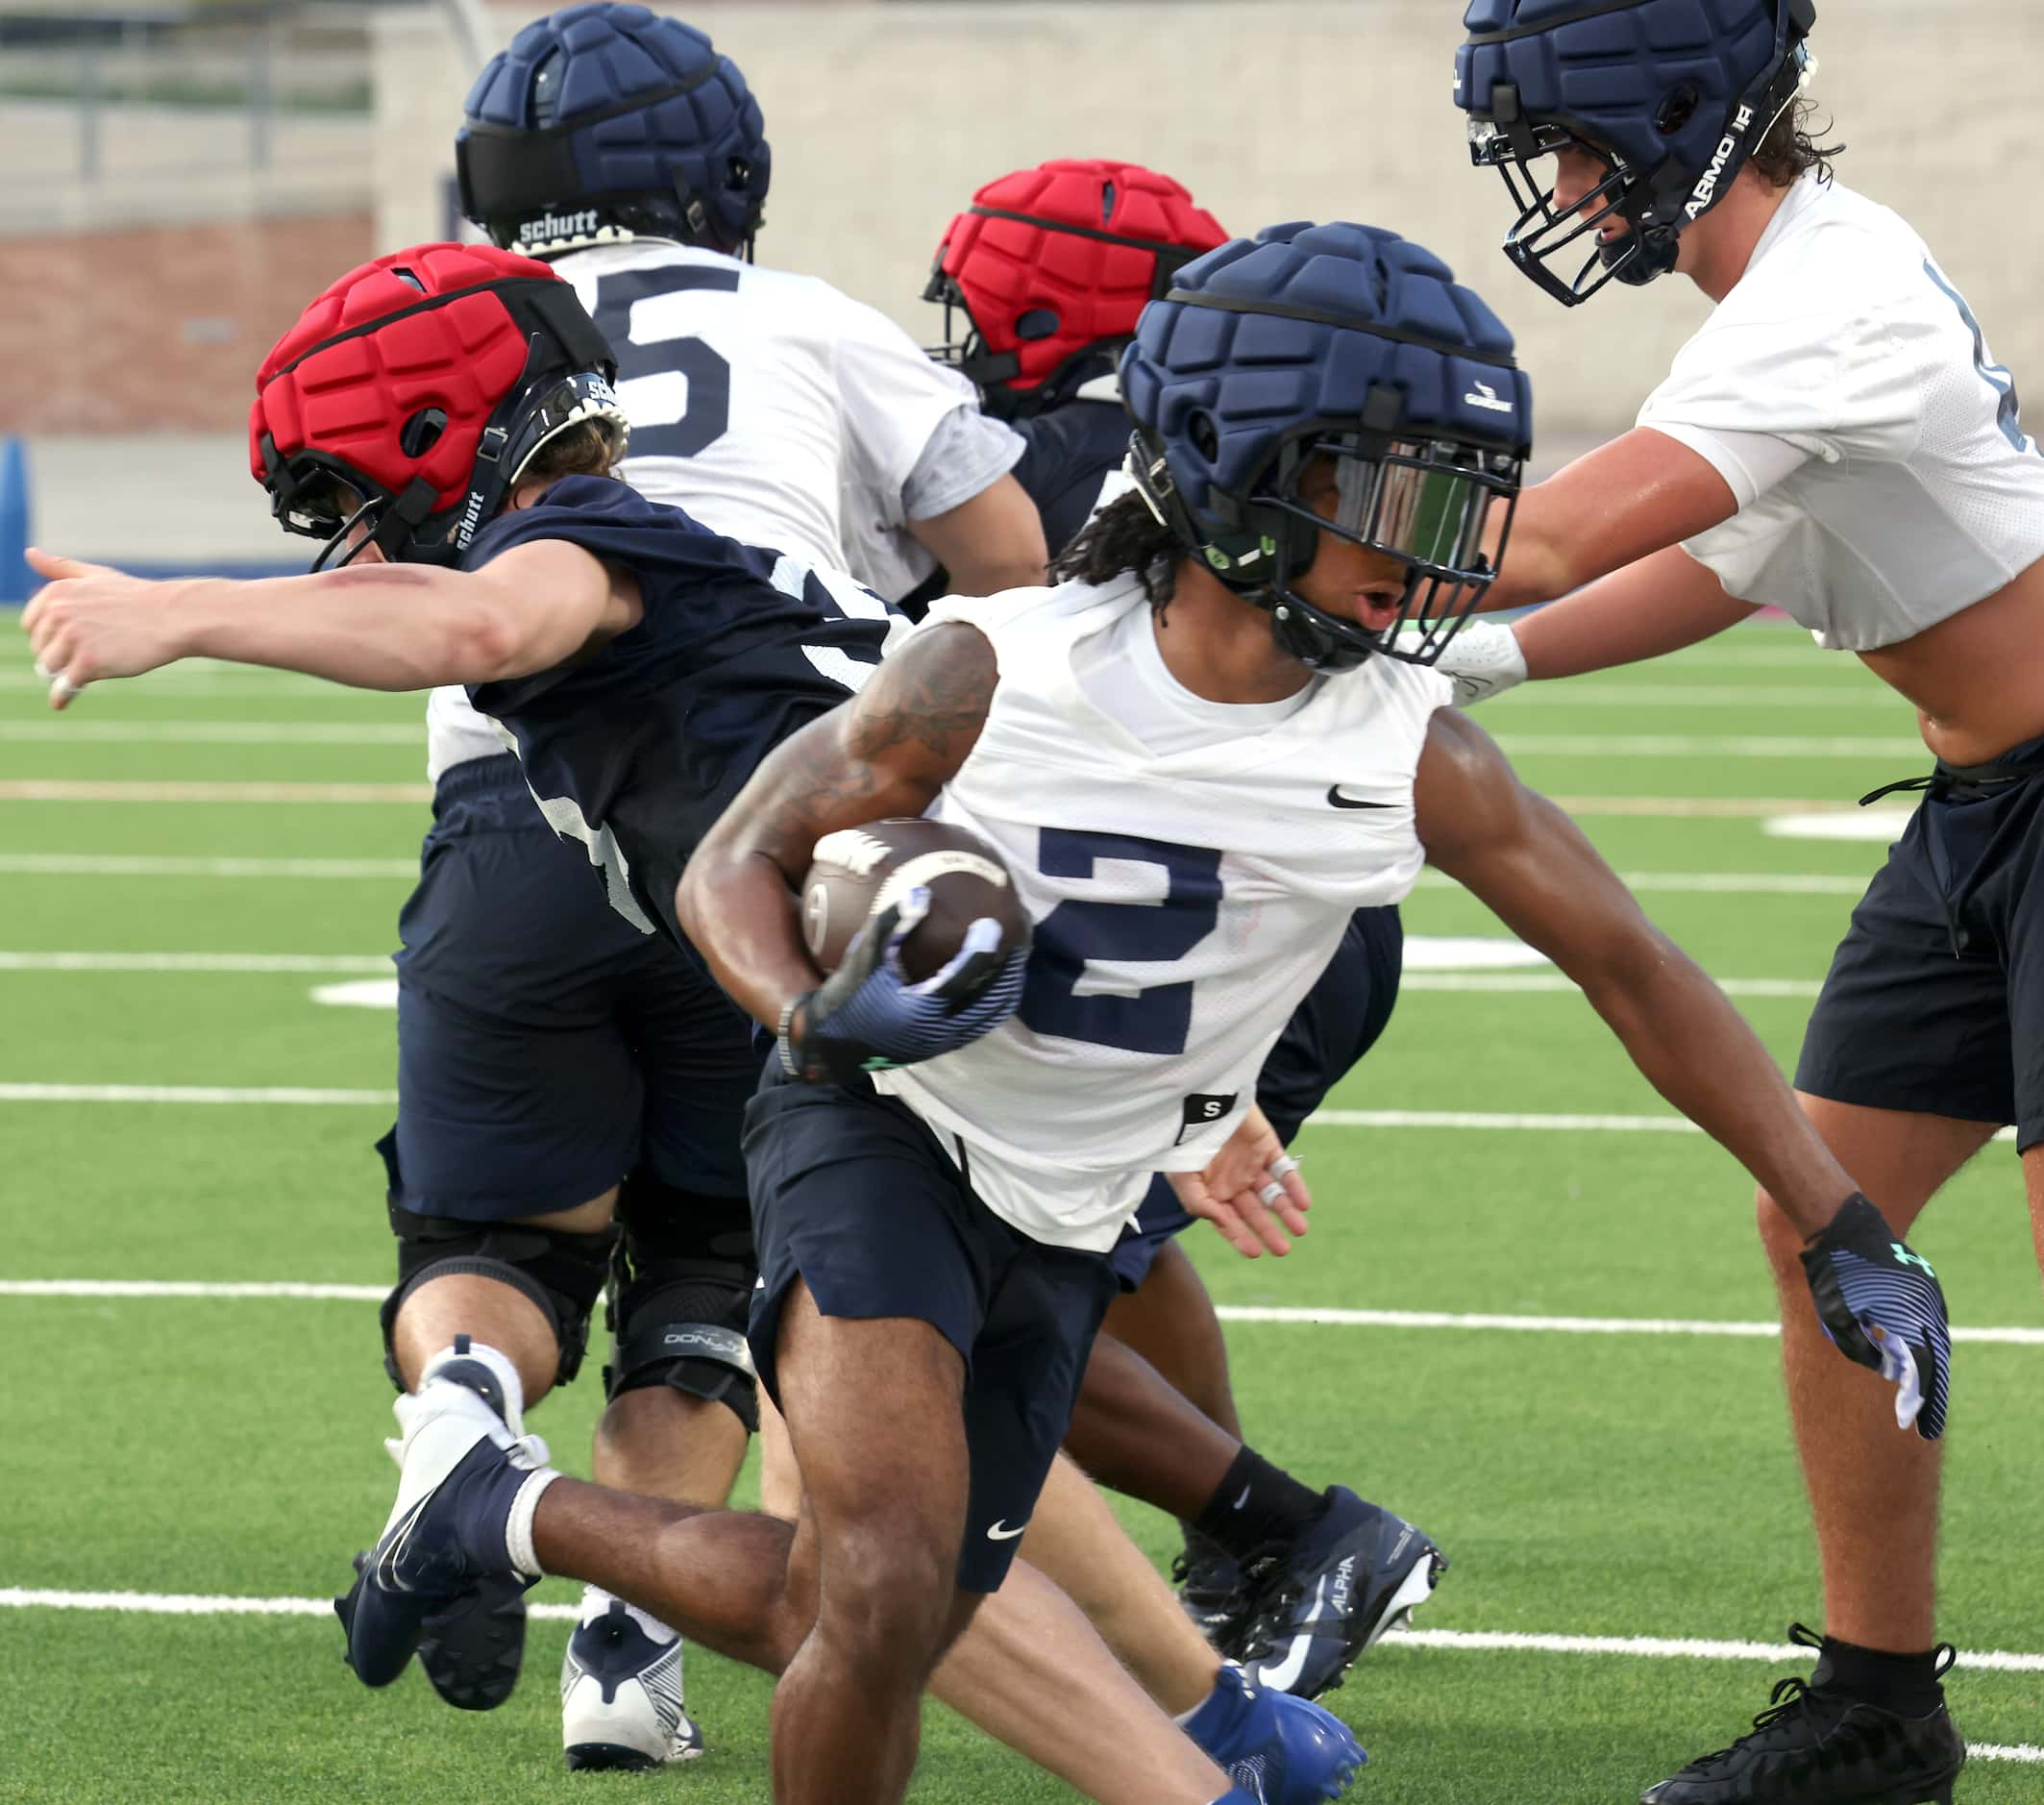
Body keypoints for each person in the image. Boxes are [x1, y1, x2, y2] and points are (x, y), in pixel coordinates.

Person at [22, 241, 1358, 1805]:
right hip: (938, 1011)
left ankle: (505, 1507)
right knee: (880, 1576)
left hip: (915, 1021)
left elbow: (467, 630)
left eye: (352, 493)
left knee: (881, 1580)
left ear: (438, 437)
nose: (353, 543)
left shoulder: (573, 539)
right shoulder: (636, 534)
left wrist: (179, 611)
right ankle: (1208, 1743)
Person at [659, 219, 1947, 1805]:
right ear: (1232, 468)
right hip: (883, 1126)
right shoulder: (988, 665)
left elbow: (1633, 967)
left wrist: (1841, 1224)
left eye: (1463, 507)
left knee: (900, 1608)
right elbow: (737, 860)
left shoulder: (1413, 747)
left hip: (1072, 1209)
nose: (1439, 555)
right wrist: (803, 1015)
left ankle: (508, 1510)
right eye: (1394, 499)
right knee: (877, 1580)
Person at [367, 1, 1047, 1768]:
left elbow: (377, 558)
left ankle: (460, 1415)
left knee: (488, 1241)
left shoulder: (460, 320)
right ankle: (622, 1650)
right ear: (724, 171)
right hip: (757, 827)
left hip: (507, 818)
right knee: (712, 1259)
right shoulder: (810, 322)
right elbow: (1006, 569)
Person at [1451, 2, 2044, 1797]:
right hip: (1979, 808)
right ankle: (1879, 1703)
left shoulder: (1823, 295)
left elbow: (1555, 532)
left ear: (1671, 123)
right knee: (1828, 1223)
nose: (1553, 190)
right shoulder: (1789, 295)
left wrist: (1270, 527)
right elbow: (1722, 563)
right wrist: (1460, 669)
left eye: (1562, 147)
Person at [924, 156, 1445, 1697]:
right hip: (1308, 911)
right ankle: (1243, 1547)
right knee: (1105, 1238)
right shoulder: (1270, 452)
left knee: (961, 1279)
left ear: (1036, 296)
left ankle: (1284, 1529)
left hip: (1146, 918)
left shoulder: (1000, 467)